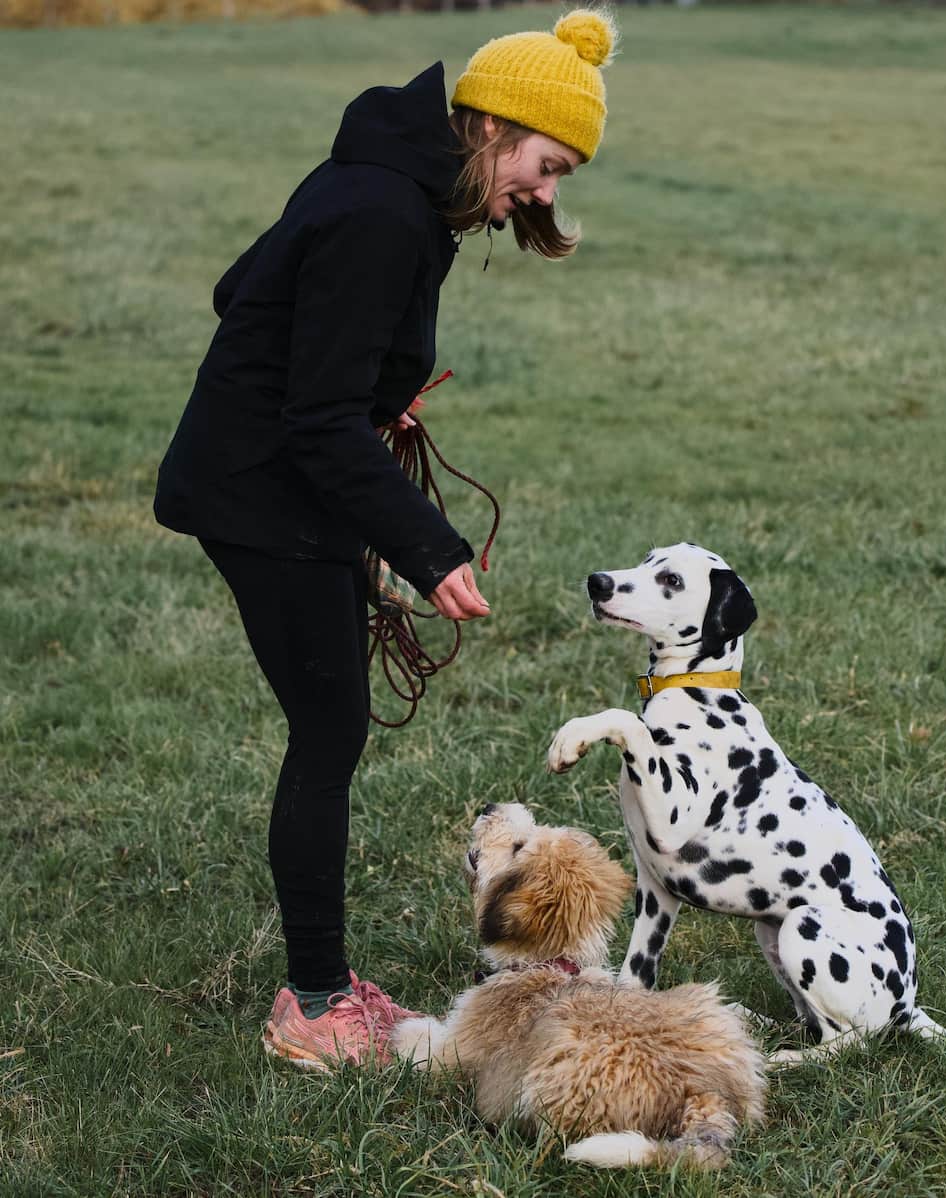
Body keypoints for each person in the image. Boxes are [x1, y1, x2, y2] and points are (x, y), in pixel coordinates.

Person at [153, 8, 617, 1072]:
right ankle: (314, 1004)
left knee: (332, 728)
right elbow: (316, 418)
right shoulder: (383, 213)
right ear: (493, 126)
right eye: (548, 165)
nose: (548, 193)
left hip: (277, 481)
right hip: (262, 495)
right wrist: (428, 545)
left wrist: (367, 391)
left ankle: (321, 985)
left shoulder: (386, 181)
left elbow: (242, 291)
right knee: (329, 736)